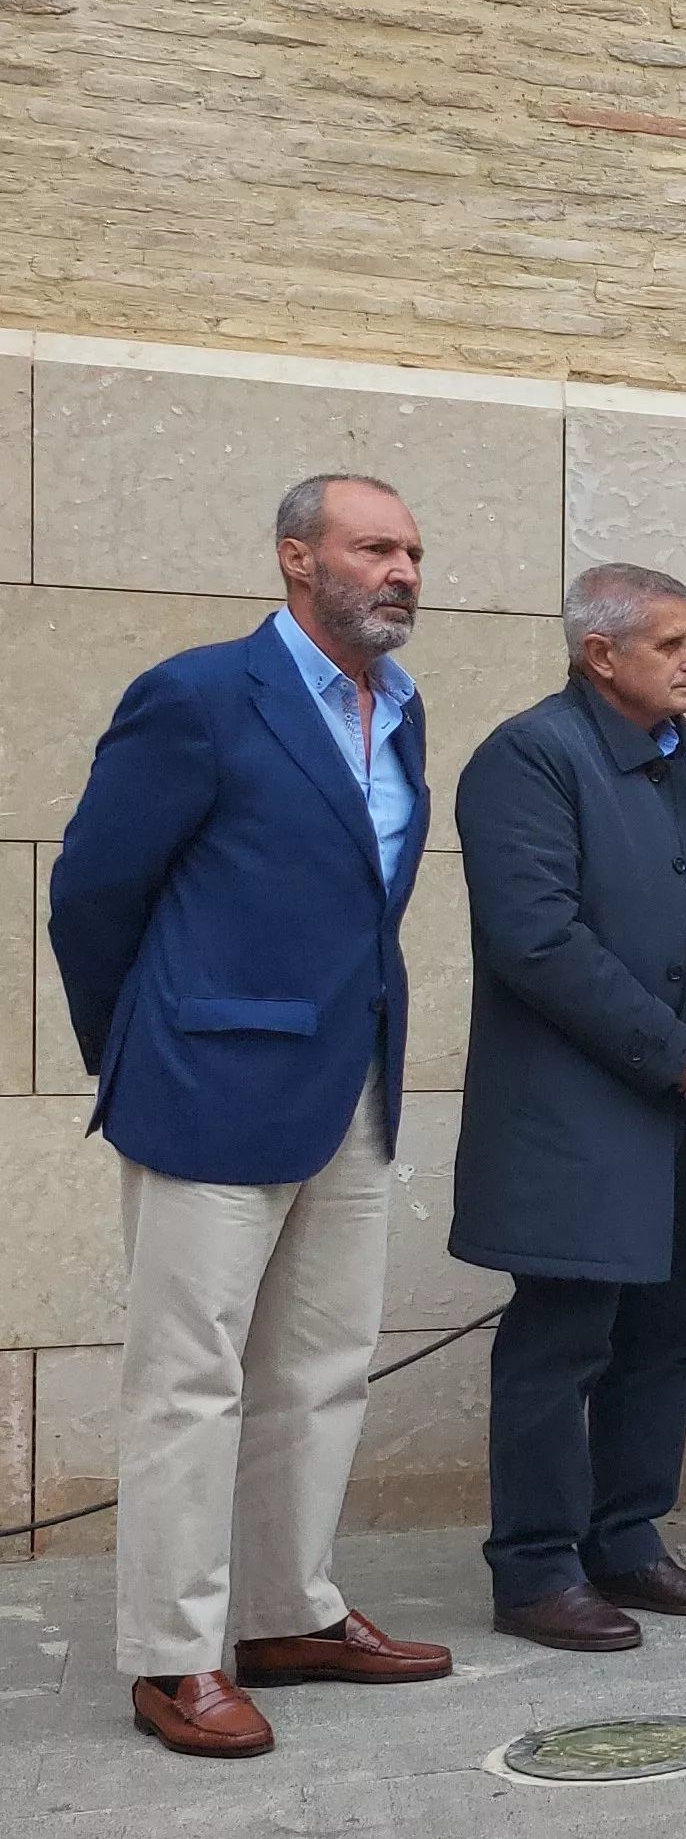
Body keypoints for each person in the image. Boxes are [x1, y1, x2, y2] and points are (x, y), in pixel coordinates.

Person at [48, 473, 453, 1756]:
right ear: (296, 558)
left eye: (413, 552)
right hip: (204, 1089)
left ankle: (288, 1612)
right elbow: (93, 894)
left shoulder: (402, 706)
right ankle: (175, 1656)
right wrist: (139, 1050)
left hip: (348, 1084)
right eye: (373, 547)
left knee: (322, 1366)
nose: (401, 570)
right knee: (188, 1379)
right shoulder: (201, 695)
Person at [453, 563, 686, 1652]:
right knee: (564, 1338)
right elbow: (535, 938)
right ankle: (535, 1567)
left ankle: (626, 1538)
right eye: (673, 642)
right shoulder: (530, 756)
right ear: (601, 655)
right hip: (576, 1118)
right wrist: (668, 1046)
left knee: (667, 1333)